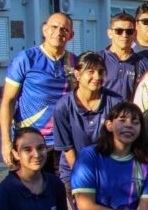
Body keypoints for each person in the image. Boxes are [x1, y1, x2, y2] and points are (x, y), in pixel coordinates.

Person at [0, 12, 76, 169]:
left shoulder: (75, 61)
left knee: (62, 185)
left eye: (64, 29)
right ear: (44, 30)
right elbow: (8, 102)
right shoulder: (26, 59)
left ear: (71, 35)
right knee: (27, 185)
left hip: (63, 144)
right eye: (54, 27)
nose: (58, 32)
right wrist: (6, 142)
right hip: (30, 143)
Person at [52, 52, 122, 195]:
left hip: (108, 172)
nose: (97, 77)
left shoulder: (115, 102)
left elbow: (120, 143)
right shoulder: (63, 107)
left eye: (101, 72)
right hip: (74, 171)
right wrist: (83, 177)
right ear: (77, 74)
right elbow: (68, 149)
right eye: (90, 72)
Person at [102, 12, 148, 100]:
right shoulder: (98, 60)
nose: (124, 35)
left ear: (135, 34)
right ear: (110, 33)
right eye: (119, 31)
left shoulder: (144, 64)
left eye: (129, 31)